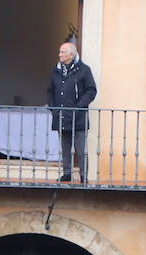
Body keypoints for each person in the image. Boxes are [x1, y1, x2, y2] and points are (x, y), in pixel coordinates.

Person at [47, 41, 95, 183]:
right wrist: (53, 108)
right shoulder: (55, 71)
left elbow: (91, 90)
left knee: (81, 149)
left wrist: (79, 106)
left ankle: (83, 175)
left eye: (62, 52)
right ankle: (67, 173)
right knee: (65, 147)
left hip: (78, 117)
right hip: (61, 115)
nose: (59, 54)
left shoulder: (84, 70)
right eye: (60, 52)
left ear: (71, 54)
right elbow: (50, 91)